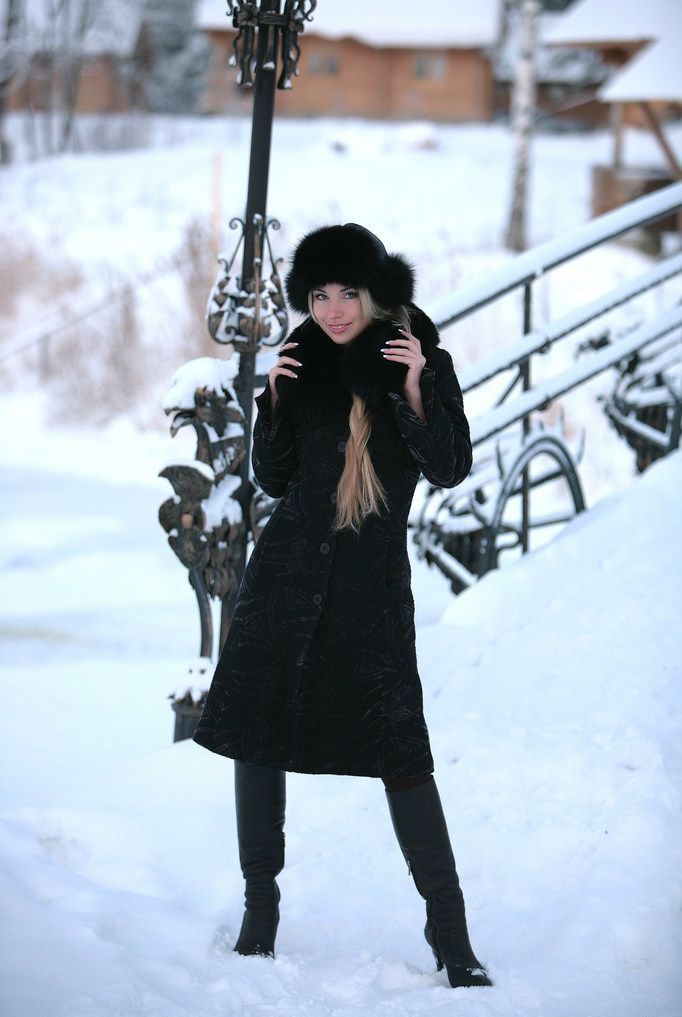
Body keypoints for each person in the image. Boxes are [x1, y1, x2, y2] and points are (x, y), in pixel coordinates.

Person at [193, 223, 492, 989]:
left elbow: (451, 466)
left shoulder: (415, 355)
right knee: (259, 733)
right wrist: (273, 400)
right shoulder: (300, 356)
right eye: (319, 294)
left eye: (347, 293)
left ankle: (451, 936)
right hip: (286, 581)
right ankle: (261, 911)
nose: (331, 309)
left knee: (402, 753)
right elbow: (274, 476)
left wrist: (420, 388)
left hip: (370, 593)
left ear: (376, 291)